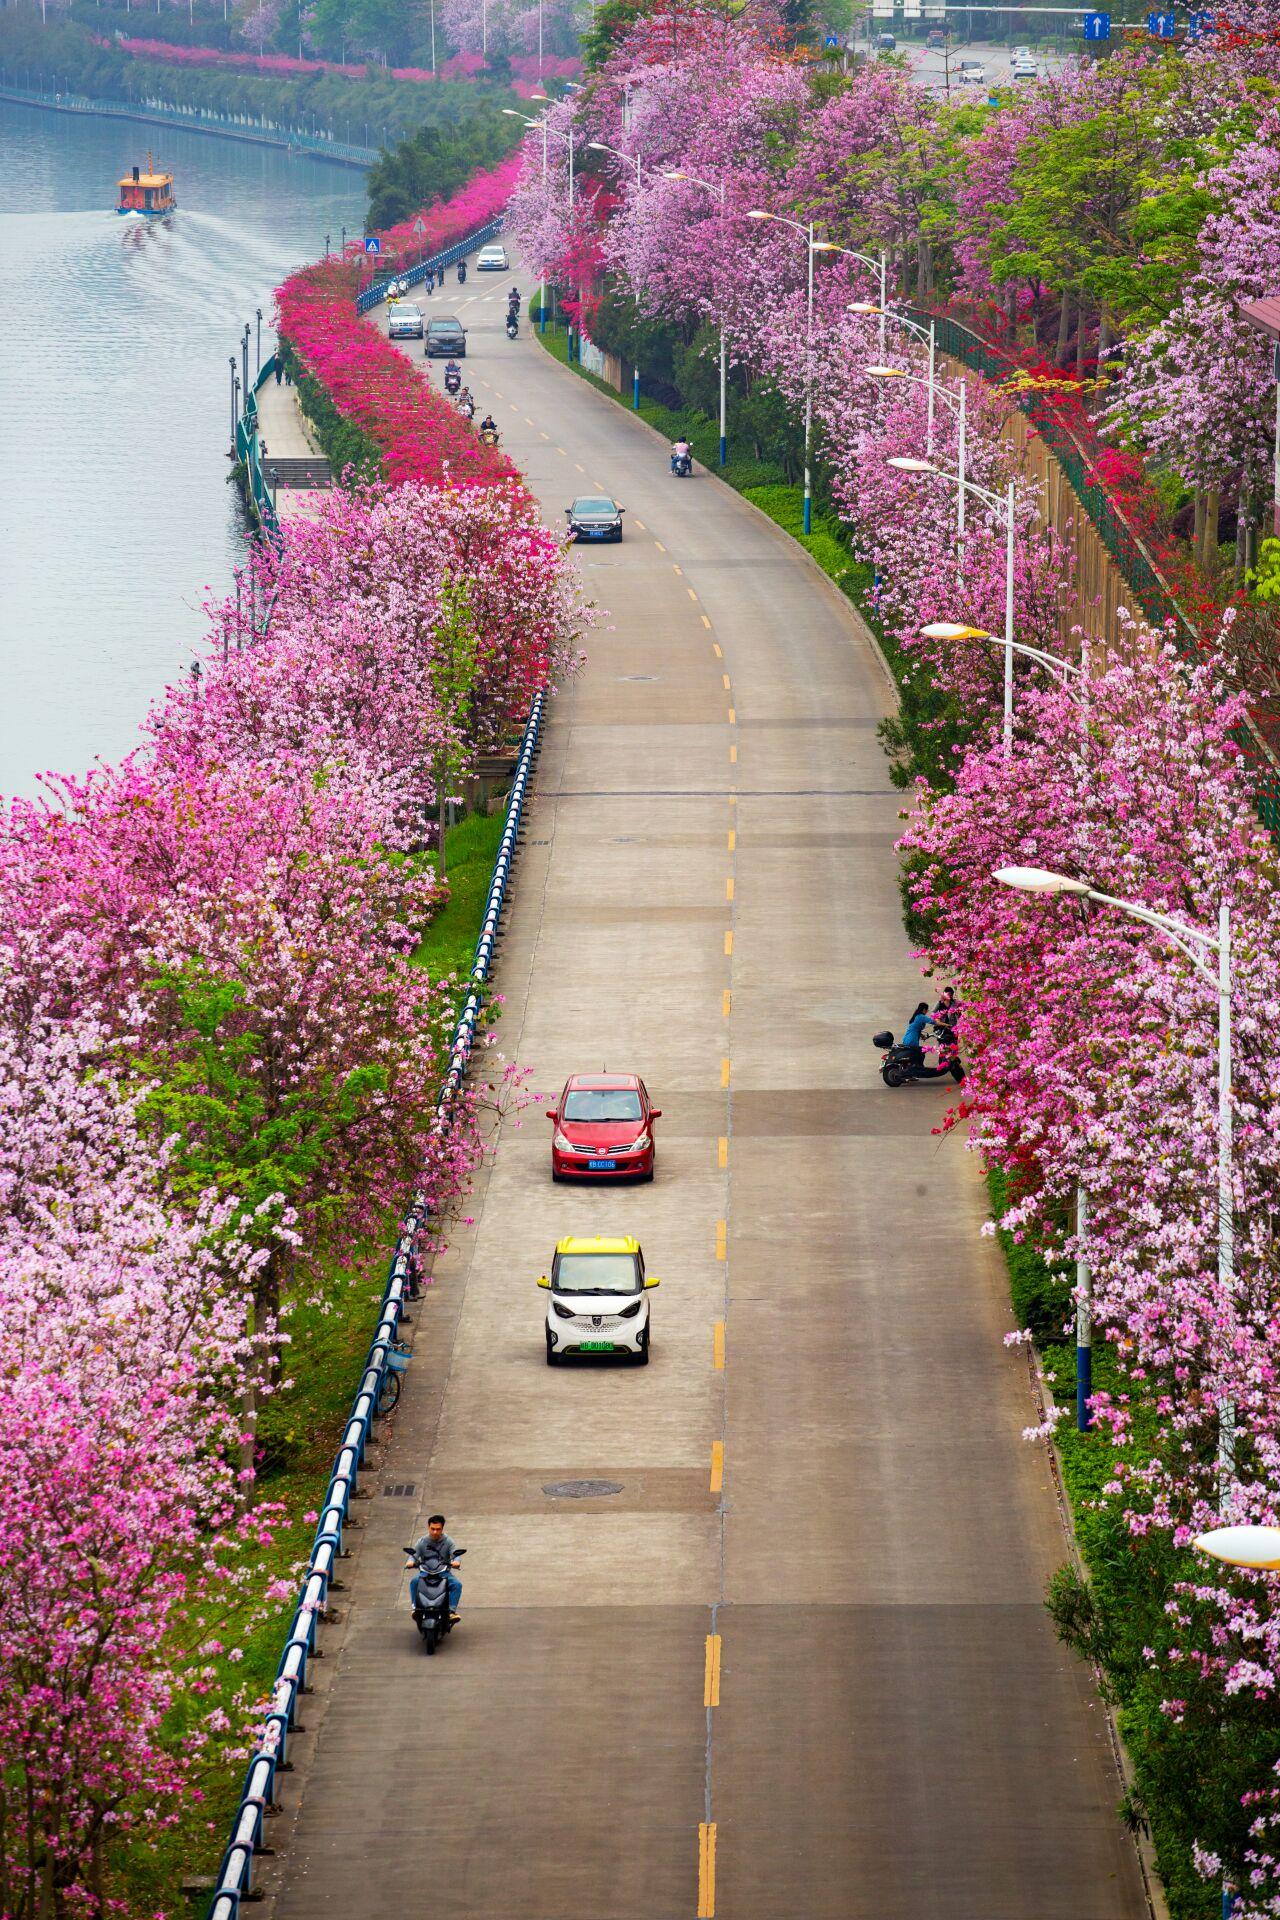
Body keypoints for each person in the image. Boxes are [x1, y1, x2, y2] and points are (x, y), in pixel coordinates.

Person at [408, 1514, 462, 1620]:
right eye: (432, 1529)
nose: (435, 1532)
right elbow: (413, 1556)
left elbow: (456, 1555)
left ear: (442, 1529)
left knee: (457, 1585)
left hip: (443, 1573)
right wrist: (410, 1562)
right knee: (414, 1582)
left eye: (438, 1529)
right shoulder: (422, 1542)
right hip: (425, 1572)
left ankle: (451, 1611)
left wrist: (456, 1561)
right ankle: (415, 1608)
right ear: (428, 1527)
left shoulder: (448, 1541)